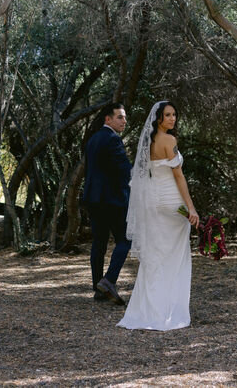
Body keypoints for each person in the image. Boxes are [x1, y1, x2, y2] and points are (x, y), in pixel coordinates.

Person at [118, 100, 199, 331]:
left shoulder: (150, 141)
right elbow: (179, 177)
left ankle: (149, 310)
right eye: (167, 115)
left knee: (155, 255)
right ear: (159, 118)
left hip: (154, 200)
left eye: (174, 114)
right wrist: (191, 208)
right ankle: (168, 310)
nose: (172, 119)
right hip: (171, 200)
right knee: (174, 257)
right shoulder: (169, 140)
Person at [81, 103, 132, 305]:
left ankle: (98, 288)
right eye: (120, 117)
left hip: (93, 199)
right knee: (125, 240)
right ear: (107, 119)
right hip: (112, 200)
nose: (124, 121)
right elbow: (125, 170)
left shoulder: (93, 139)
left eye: (124, 117)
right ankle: (109, 280)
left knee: (99, 243)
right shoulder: (112, 139)